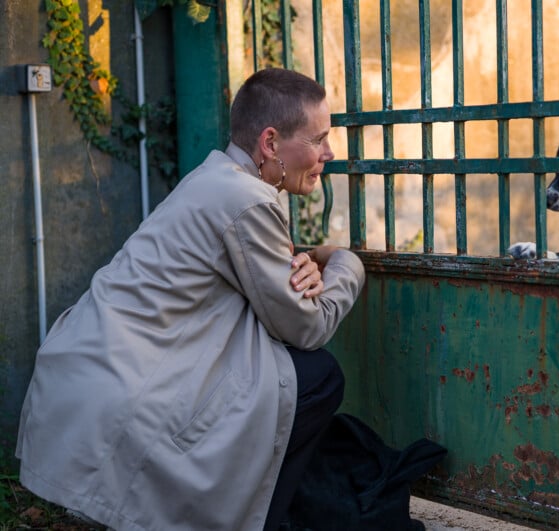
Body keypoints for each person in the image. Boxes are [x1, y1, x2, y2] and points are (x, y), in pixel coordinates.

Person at [16, 68, 365, 531]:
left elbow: (249, 275)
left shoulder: (217, 176)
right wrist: (345, 262)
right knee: (320, 377)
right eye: (319, 138)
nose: (328, 152)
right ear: (270, 143)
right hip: (126, 392)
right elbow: (306, 326)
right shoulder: (247, 200)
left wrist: (306, 256)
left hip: (88, 373)